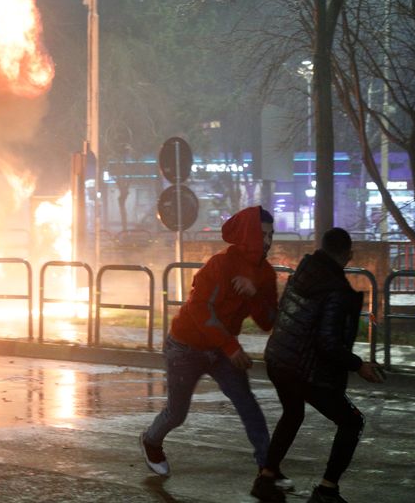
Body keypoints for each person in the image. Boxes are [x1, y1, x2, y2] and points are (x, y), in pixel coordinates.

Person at [139, 206, 285, 503]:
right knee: (177, 413)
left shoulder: (265, 274)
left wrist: (254, 292)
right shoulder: (218, 265)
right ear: (247, 235)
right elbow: (198, 309)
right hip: (185, 346)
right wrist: (231, 347)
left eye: (271, 235)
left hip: (221, 350)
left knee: (248, 405)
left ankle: (268, 469)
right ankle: (151, 440)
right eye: (262, 234)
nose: (267, 242)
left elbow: (268, 320)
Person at [262, 227, 384, 503]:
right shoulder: (336, 290)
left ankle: (266, 477)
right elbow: (328, 343)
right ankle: (327, 490)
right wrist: (358, 365)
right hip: (303, 369)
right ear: (348, 255)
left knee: (293, 413)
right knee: (352, 421)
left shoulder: (301, 273)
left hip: (279, 359)